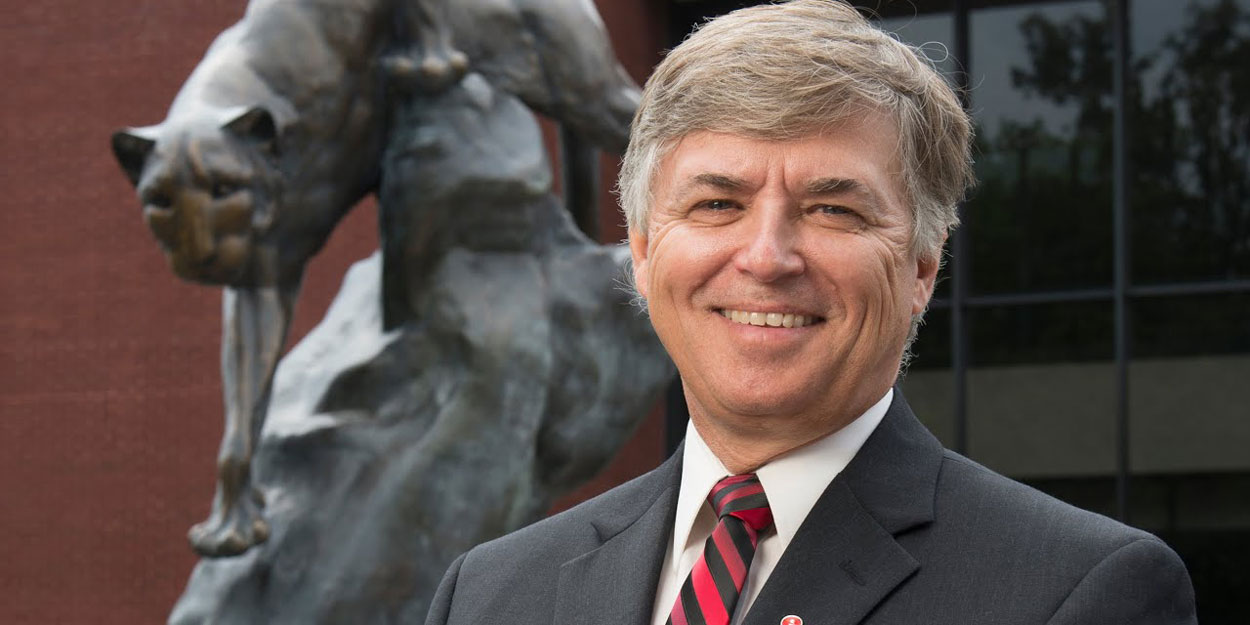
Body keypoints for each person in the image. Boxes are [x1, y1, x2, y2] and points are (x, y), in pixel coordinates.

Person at [423, 1, 1198, 624]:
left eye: (833, 209)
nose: (766, 257)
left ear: (922, 265)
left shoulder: (1086, 591)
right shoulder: (490, 593)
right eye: (718, 202)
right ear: (645, 249)